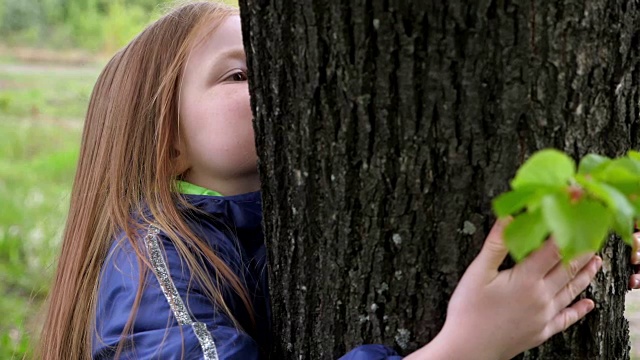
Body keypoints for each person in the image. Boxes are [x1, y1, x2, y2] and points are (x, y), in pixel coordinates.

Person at [37, 1, 640, 359]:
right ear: (165, 142)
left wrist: (588, 248)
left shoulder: (285, 214)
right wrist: (458, 350)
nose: (278, 82)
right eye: (241, 73)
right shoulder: (153, 264)